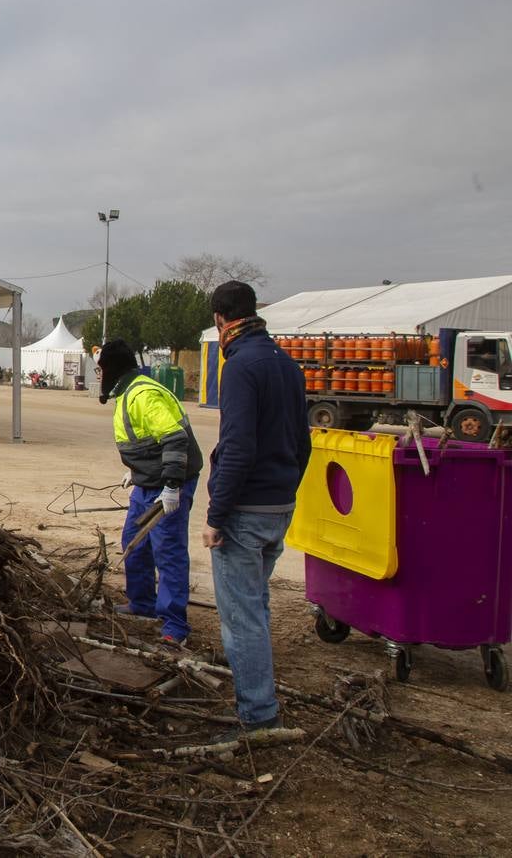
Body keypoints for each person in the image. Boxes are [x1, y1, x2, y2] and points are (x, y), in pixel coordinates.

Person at [203, 280, 311, 738]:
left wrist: (216, 515)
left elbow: (238, 447)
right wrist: (286, 490)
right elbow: (303, 443)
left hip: (245, 511)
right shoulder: (287, 364)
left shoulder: (242, 367)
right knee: (257, 604)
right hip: (279, 504)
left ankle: (258, 714)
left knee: (241, 618)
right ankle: (259, 692)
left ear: (220, 320)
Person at [97, 341, 204, 650]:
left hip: (171, 481)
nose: (99, 374)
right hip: (149, 480)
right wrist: (137, 470)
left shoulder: (143, 395)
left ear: (112, 369)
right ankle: (142, 602)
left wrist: (171, 486)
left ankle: (174, 624)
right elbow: (145, 437)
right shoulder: (127, 392)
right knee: (135, 538)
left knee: (167, 549)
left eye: (101, 368)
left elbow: (174, 438)